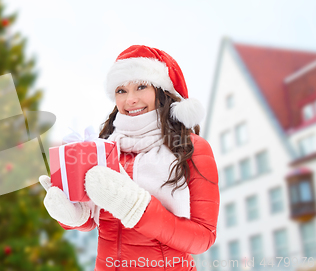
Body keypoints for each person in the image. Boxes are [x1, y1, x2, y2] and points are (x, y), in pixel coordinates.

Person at [39, 45, 220, 271]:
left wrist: (135, 207)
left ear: (161, 91)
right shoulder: (104, 148)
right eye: (121, 91)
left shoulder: (191, 148)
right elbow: (96, 221)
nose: (130, 99)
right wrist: (72, 215)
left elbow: (203, 238)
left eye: (141, 86)